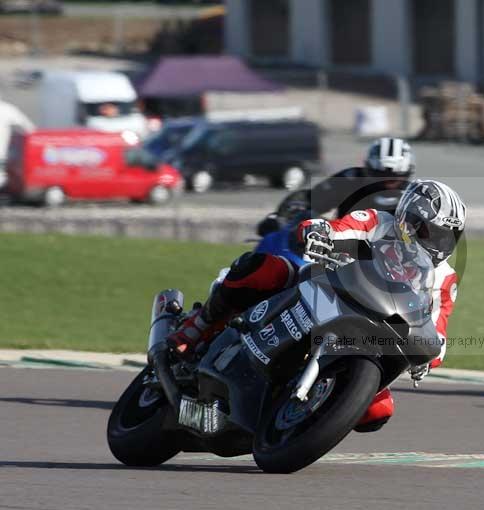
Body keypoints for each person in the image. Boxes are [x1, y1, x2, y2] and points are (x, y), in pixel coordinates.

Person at [168, 179, 466, 432]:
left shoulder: (445, 277)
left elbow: (437, 329)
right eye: (430, 232)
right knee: (264, 269)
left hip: (374, 333)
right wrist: (317, 232)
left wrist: (429, 356)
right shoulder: (378, 223)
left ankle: (303, 422)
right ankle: (198, 326)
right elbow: (338, 227)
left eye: (447, 237)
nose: (438, 243)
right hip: (330, 288)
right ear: (407, 219)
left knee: (378, 411)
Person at [310, 137, 416, 217]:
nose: (387, 181)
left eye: (394, 177)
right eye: (380, 175)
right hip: (346, 238)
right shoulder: (349, 179)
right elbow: (310, 200)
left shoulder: (415, 194)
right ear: (368, 169)